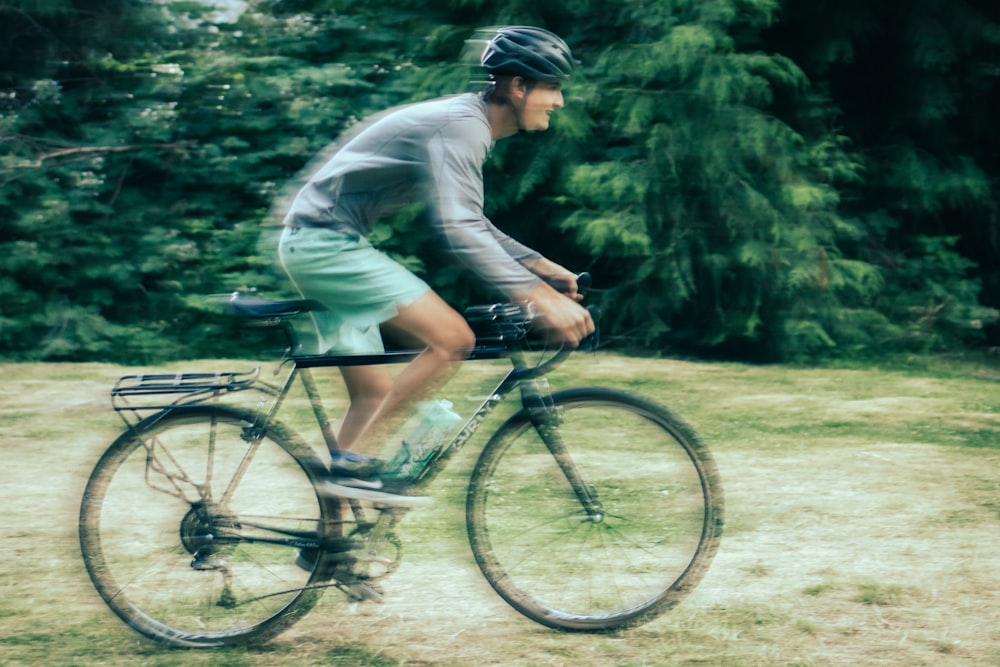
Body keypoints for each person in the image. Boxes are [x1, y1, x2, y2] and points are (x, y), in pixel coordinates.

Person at [278, 26, 594, 507]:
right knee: (453, 338)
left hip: (318, 243)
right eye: (552, 87)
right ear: (518, 86)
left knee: (372, 397)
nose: (559, 101)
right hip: (325, 246)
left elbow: (472, 221)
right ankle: (349, 467)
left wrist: (540, 265)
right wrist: (539, 297)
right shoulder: (462, 126)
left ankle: (332, 553)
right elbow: (459, 228)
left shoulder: (465, 126)